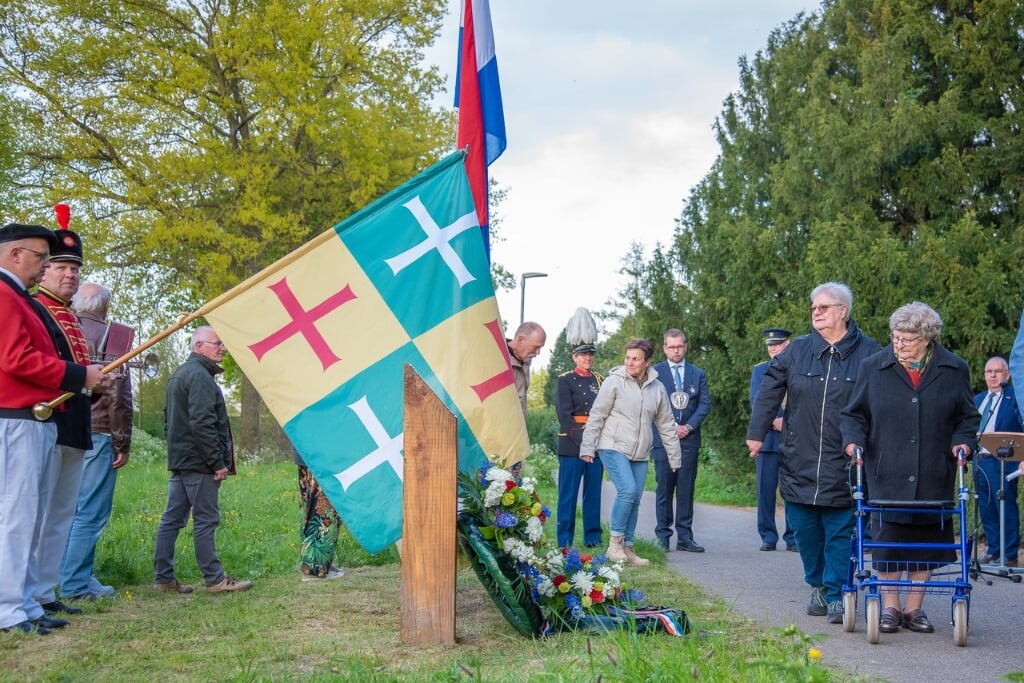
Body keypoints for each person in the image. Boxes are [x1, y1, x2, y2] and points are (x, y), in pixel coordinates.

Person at [746, 282, 881, 625]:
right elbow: (768, 393)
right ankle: (817, 584)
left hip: (845, 461)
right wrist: (756, 433)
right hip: (799, 456)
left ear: (843, 311)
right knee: (805, 529)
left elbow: (881, 406)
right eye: (813, 307)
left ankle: (837, 594)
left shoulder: (871, 354)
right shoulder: (796, 351)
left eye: (824, 307)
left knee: (839, 529)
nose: (816, 312)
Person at [841, 302, 979, 634]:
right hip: (886, 470)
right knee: (889, 541)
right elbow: (853, 414)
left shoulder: (954, 368)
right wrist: (852, 442)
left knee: (925, 541)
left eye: (908, 338)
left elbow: (967, 417)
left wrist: (963, 442)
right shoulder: (874, 367)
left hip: (934, 469)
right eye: (896, 336)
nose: (899, 343)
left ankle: (914, 609)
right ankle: (889, 607)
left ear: (928, 338)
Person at [0, 223, 103, 635]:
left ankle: (26, 602)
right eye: (42, 258)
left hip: (40, 419)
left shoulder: (19, 299)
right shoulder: (7, 296)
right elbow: (15, 359)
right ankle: (9, 609)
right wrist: (77, 376)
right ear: (14, 255)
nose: (46, 267)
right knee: (18, 517)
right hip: (20, 416)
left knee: (32, 515)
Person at [30, 221, 101, 622]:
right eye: (61, 267)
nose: (69, 275)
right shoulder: (37, 309)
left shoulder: (71, 317)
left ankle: (44, 590)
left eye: (75, 269)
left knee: (61, 514)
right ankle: (25, 596)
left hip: (74, 422)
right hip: (45, 420)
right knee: (38, 513)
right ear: (45, 271)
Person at [153, 326, 252, 594]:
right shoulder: (199, 377)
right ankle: (215, 579)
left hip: (182, 460)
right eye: (216, 343)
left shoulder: (179, 373)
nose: (222, 348)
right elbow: (202, 423)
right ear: (199, 346)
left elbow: (167, 418)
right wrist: (216, 461)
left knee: (172, 518)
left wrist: (177, 449)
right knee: (206, 519)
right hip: (199, 462)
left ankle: (163, 578)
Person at [60, 283, 134, 599]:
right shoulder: (115, 336)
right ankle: (76, 583)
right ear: (105, 307)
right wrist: (122, 442)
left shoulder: (61, 328)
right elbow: (117, 394)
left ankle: (57, 577)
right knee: (90, 511)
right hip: (99, 431)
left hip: (61, 429)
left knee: (64, 510)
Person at [580, 338, 681, 566]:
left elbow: (666, 424)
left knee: (635, 499)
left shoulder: (657, 388)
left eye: (636, 359)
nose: (630, 362)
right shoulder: (614, 382)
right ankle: (614, 545)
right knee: (628, 490)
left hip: (640, 451)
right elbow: (597, 414)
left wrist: (675, 457)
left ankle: (628, 547)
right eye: (628, 358)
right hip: (612, 444)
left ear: (647, 362)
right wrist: (588, 446)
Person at [651, 329, 711, 552]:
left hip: (689, 439)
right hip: (663, 439)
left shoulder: (697, 373)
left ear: (685, 346)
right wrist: (669, 428)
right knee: (664, 489)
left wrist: (688, 426)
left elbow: (704, 404)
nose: (676, 351)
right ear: (665, 348)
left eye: (679, 346)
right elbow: (650, 404)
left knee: (686, 489)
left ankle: (685, 536)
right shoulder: (655, 373)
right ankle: (663, 536)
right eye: (671, 347)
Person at [749, 327, 797, 552]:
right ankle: (768, 536)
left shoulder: (799, 367)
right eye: (770, 345)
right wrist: (776, 420)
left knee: (793, 492)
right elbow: (757, 401)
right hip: (768, 441)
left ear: (788, 344)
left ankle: (793, 537)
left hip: (795, 440)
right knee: (765, 491)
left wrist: (786, 422)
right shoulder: (760, 371)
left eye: (777, 344)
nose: (773, 348)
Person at [554, 339, 604, 548]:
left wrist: (594, 442)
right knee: (568, 495)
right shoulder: (565, 380)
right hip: (572, 444)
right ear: (575, 357)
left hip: (596, 443)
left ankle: (592, 538)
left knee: (593, 493)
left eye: (590, 354)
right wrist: (583, 441)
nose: (588, 358)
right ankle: (564, 540)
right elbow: (564, 415)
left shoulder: (600, 380)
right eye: (583, 354)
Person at [973, 356, 1021, 567]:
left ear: (1007, 375)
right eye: (988, 372)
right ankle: (994, 549)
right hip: (980, 460)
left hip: (1004, 460)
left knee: (1005, 506)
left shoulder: (1016, 398)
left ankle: (1009, 554)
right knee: (987, 506)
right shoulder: (979, 400)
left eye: (997, 371)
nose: (992, 375)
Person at [296, 450, 344, 580]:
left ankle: (314, 565)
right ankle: (316, 568)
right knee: (324, 510)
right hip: (321, 452)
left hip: (306, 449)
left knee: (309, 507)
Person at [506, 321, 546, 415]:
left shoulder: (526, 360)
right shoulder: (497, 358)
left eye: (541, 347)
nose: (538, 352)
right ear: (520, 340)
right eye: (536, 347)